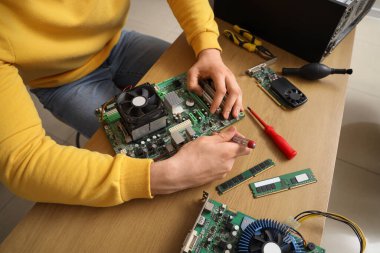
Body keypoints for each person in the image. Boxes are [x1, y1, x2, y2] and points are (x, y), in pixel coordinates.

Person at [0, 1, 250, 207]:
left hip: (118, 43)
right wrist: (164, 176)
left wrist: (208, 48)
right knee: (142, 154)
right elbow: (23, 161)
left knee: (199, 90)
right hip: (59, 81)